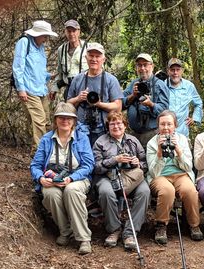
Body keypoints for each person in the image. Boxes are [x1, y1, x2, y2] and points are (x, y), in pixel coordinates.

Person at [30, 102, 94, 255]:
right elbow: (35, 165)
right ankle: (65, 231)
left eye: (69, 118)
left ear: (74, 121)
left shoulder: (81, 138)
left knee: (71, 191)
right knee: (50, 194)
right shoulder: (47, 139)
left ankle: (83, 238)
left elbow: (88, 165)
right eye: (61, 118)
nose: (65, 121)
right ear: (55, 120)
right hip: (53, 180)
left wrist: (71, 179)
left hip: (77, 178)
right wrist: (40, 178)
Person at [93, 111, 150, 251]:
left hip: (132, 177)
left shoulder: (133, 140)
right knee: (106, 192)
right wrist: (114, 160)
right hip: (107, 176)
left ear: (125, 125)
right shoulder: (100, 142)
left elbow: (145, 164)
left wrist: (138, 163)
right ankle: (114, 229)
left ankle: (130, 232)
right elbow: (96, 167)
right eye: (112, 123)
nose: (116, 126)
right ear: (108, 126)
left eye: (119, 123)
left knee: (145, 191)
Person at [146, 110, 203, 244]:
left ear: (175, 125)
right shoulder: (152, 143)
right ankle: (161, 225)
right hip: (160, 176)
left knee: (189, 190)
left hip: (181, 174)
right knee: (167, 190)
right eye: (162, 124)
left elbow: (188, 166)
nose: (166, 128)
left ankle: (194, 225)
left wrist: (178, 150)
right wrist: (160, 153)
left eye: (169, 124)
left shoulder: (182, 139)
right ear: (158, 126)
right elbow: (153, 172)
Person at [12, 20, 58, 154]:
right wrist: (21, 88)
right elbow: (18, 67)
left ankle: (47, 152)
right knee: (39, 121)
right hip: (28, 90)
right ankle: (38, 154)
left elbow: (37, 69)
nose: (46, 39)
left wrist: (50, 76)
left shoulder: (41, 47)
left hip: (41, 89)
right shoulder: (24, 42)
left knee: (47, 122)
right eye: (44, 35)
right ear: (37, 34)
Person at [67, 42, 123, 146]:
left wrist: (98, 104)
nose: (94, 59)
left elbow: (118, 107)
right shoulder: (78, 79)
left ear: (103, 59)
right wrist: (78, 98)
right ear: (86, 57)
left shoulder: (110, 80)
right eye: (91, 56)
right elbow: (68, 105)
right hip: (81, 126)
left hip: (103, 128)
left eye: (97, 56)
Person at [123, 53, 169, 147]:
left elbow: (165, 109)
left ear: (152, 66)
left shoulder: (160, 85)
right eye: (139, 65)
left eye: (145, 65)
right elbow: (121, 103)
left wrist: (151, 104)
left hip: (152, 133)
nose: (142, 68)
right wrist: (133, 95)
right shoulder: (133, 84)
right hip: (134, 134)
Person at [50, 19, 88, 102]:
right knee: (69, 112)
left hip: (85, 88)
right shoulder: (61, 49)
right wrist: (54, 88)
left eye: (74, 31)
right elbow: (60, 72)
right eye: (69, 31)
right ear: (65, 32)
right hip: (69, 89)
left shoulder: (87, 47)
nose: (71, 34)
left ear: (79, 32)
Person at [166, 58, 203, 137]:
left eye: (178, 70)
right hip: (165, 132)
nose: (175, 72)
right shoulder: (162, 85)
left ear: (182, 71)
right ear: (168, 71)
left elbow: (198, 103)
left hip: (183, 133)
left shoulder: (189, 86)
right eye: (172, 70)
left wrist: (195, 118)